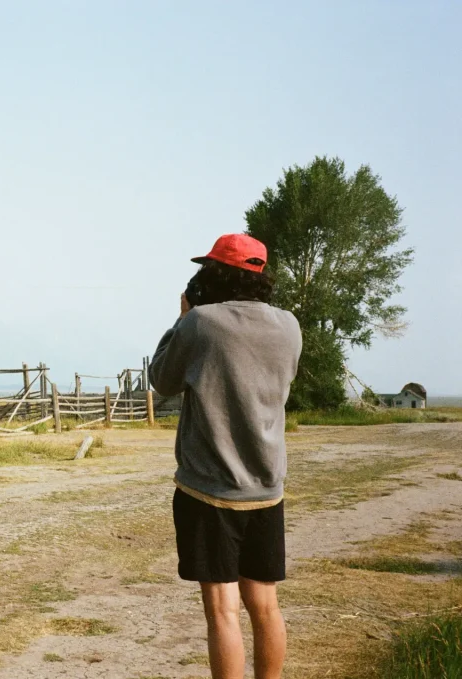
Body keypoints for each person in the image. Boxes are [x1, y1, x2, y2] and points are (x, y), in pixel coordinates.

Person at [149, 233, 302, 679]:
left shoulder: (202, 324)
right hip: (267, 488)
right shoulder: (289, 325)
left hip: (210, 491)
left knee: (223, 612)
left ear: (214, 273)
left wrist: (181, 320)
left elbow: (162, 379)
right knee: (266, 607)